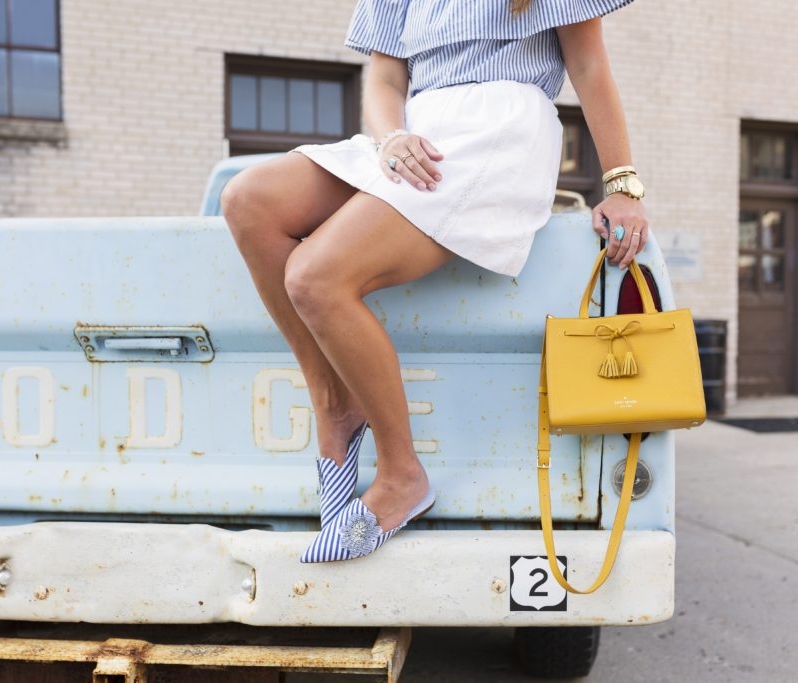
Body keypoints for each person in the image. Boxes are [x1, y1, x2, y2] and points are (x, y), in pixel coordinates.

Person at [222, 0, 649, 563]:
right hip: (416, 134)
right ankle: (334, 402)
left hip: (500, 127)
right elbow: (384, 76)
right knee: (248, 200)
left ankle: (402, 474)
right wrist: (391, 136)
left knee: (314, 277)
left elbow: (590, 66)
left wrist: (621, 182)